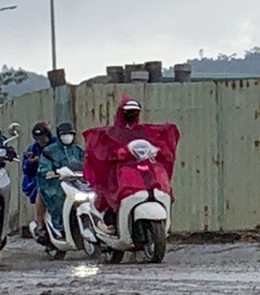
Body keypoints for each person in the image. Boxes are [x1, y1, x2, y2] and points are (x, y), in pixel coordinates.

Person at [82, 96, 179, 228]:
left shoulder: (143, 131)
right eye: (128, 111)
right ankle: (110, 220)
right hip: (118, 172)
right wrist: (115, 153)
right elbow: (102, 148)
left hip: (140, 170)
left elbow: (157, 137)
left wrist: (159, 149)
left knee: (155, 181)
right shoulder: (111, 133)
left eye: (135, 111)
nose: (131, 114)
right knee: (112, 193)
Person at [36, 121, 85, 239]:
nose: (67, 137)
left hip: (77, 183)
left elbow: (86, 163)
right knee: (55, 199)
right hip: (56, 183)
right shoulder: (49, 151)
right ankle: (54, 226)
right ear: (59, 136)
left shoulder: (78, 150)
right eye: (64, 135)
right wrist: (49, 171)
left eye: (70, 134)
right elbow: (44, 166)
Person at [21, 120, 53, 234]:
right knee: (41, 191)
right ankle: (40, 225)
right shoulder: (32, 149)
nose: (40, 141)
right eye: (37, 139)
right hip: (43, 180)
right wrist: (32, 163)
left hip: (60, 176)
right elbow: (26, 170)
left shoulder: (58, 145)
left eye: (43, 138)